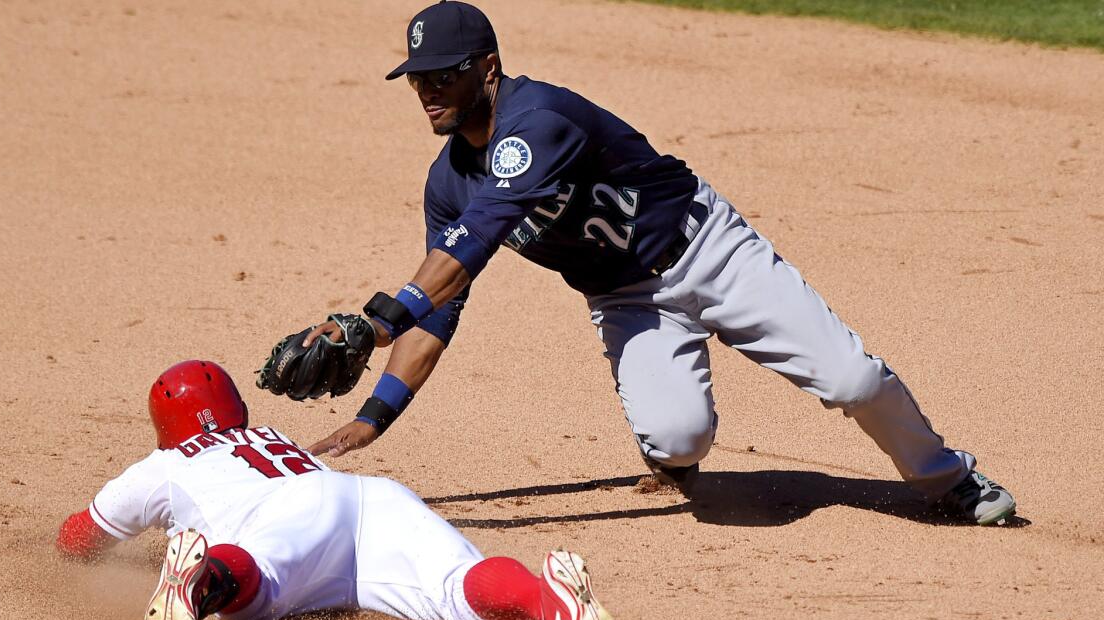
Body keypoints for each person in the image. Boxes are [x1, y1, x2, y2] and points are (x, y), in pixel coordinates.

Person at [272, 1, 1015, 526]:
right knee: (677, 438)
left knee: (852, 377)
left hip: (709, 250)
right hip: (628, 297)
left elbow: (481, 235)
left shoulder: (538, 119)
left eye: (443, 74)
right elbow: (442, 306)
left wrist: (371, 324)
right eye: (418, 77)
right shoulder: (447, 183)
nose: (427, 90)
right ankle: (675, 460)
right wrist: (377, 415)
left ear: (487, 69)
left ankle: (948, 476)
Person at [56, 360, 623, 620]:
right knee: (457, 588)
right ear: (238, 409)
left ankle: (203, 582)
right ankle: (548, 602)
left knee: (255, 590)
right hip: (369, 498)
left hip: (287, 525)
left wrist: (65, 549)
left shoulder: (160, 466)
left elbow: (79, 539)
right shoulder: (267, 436)